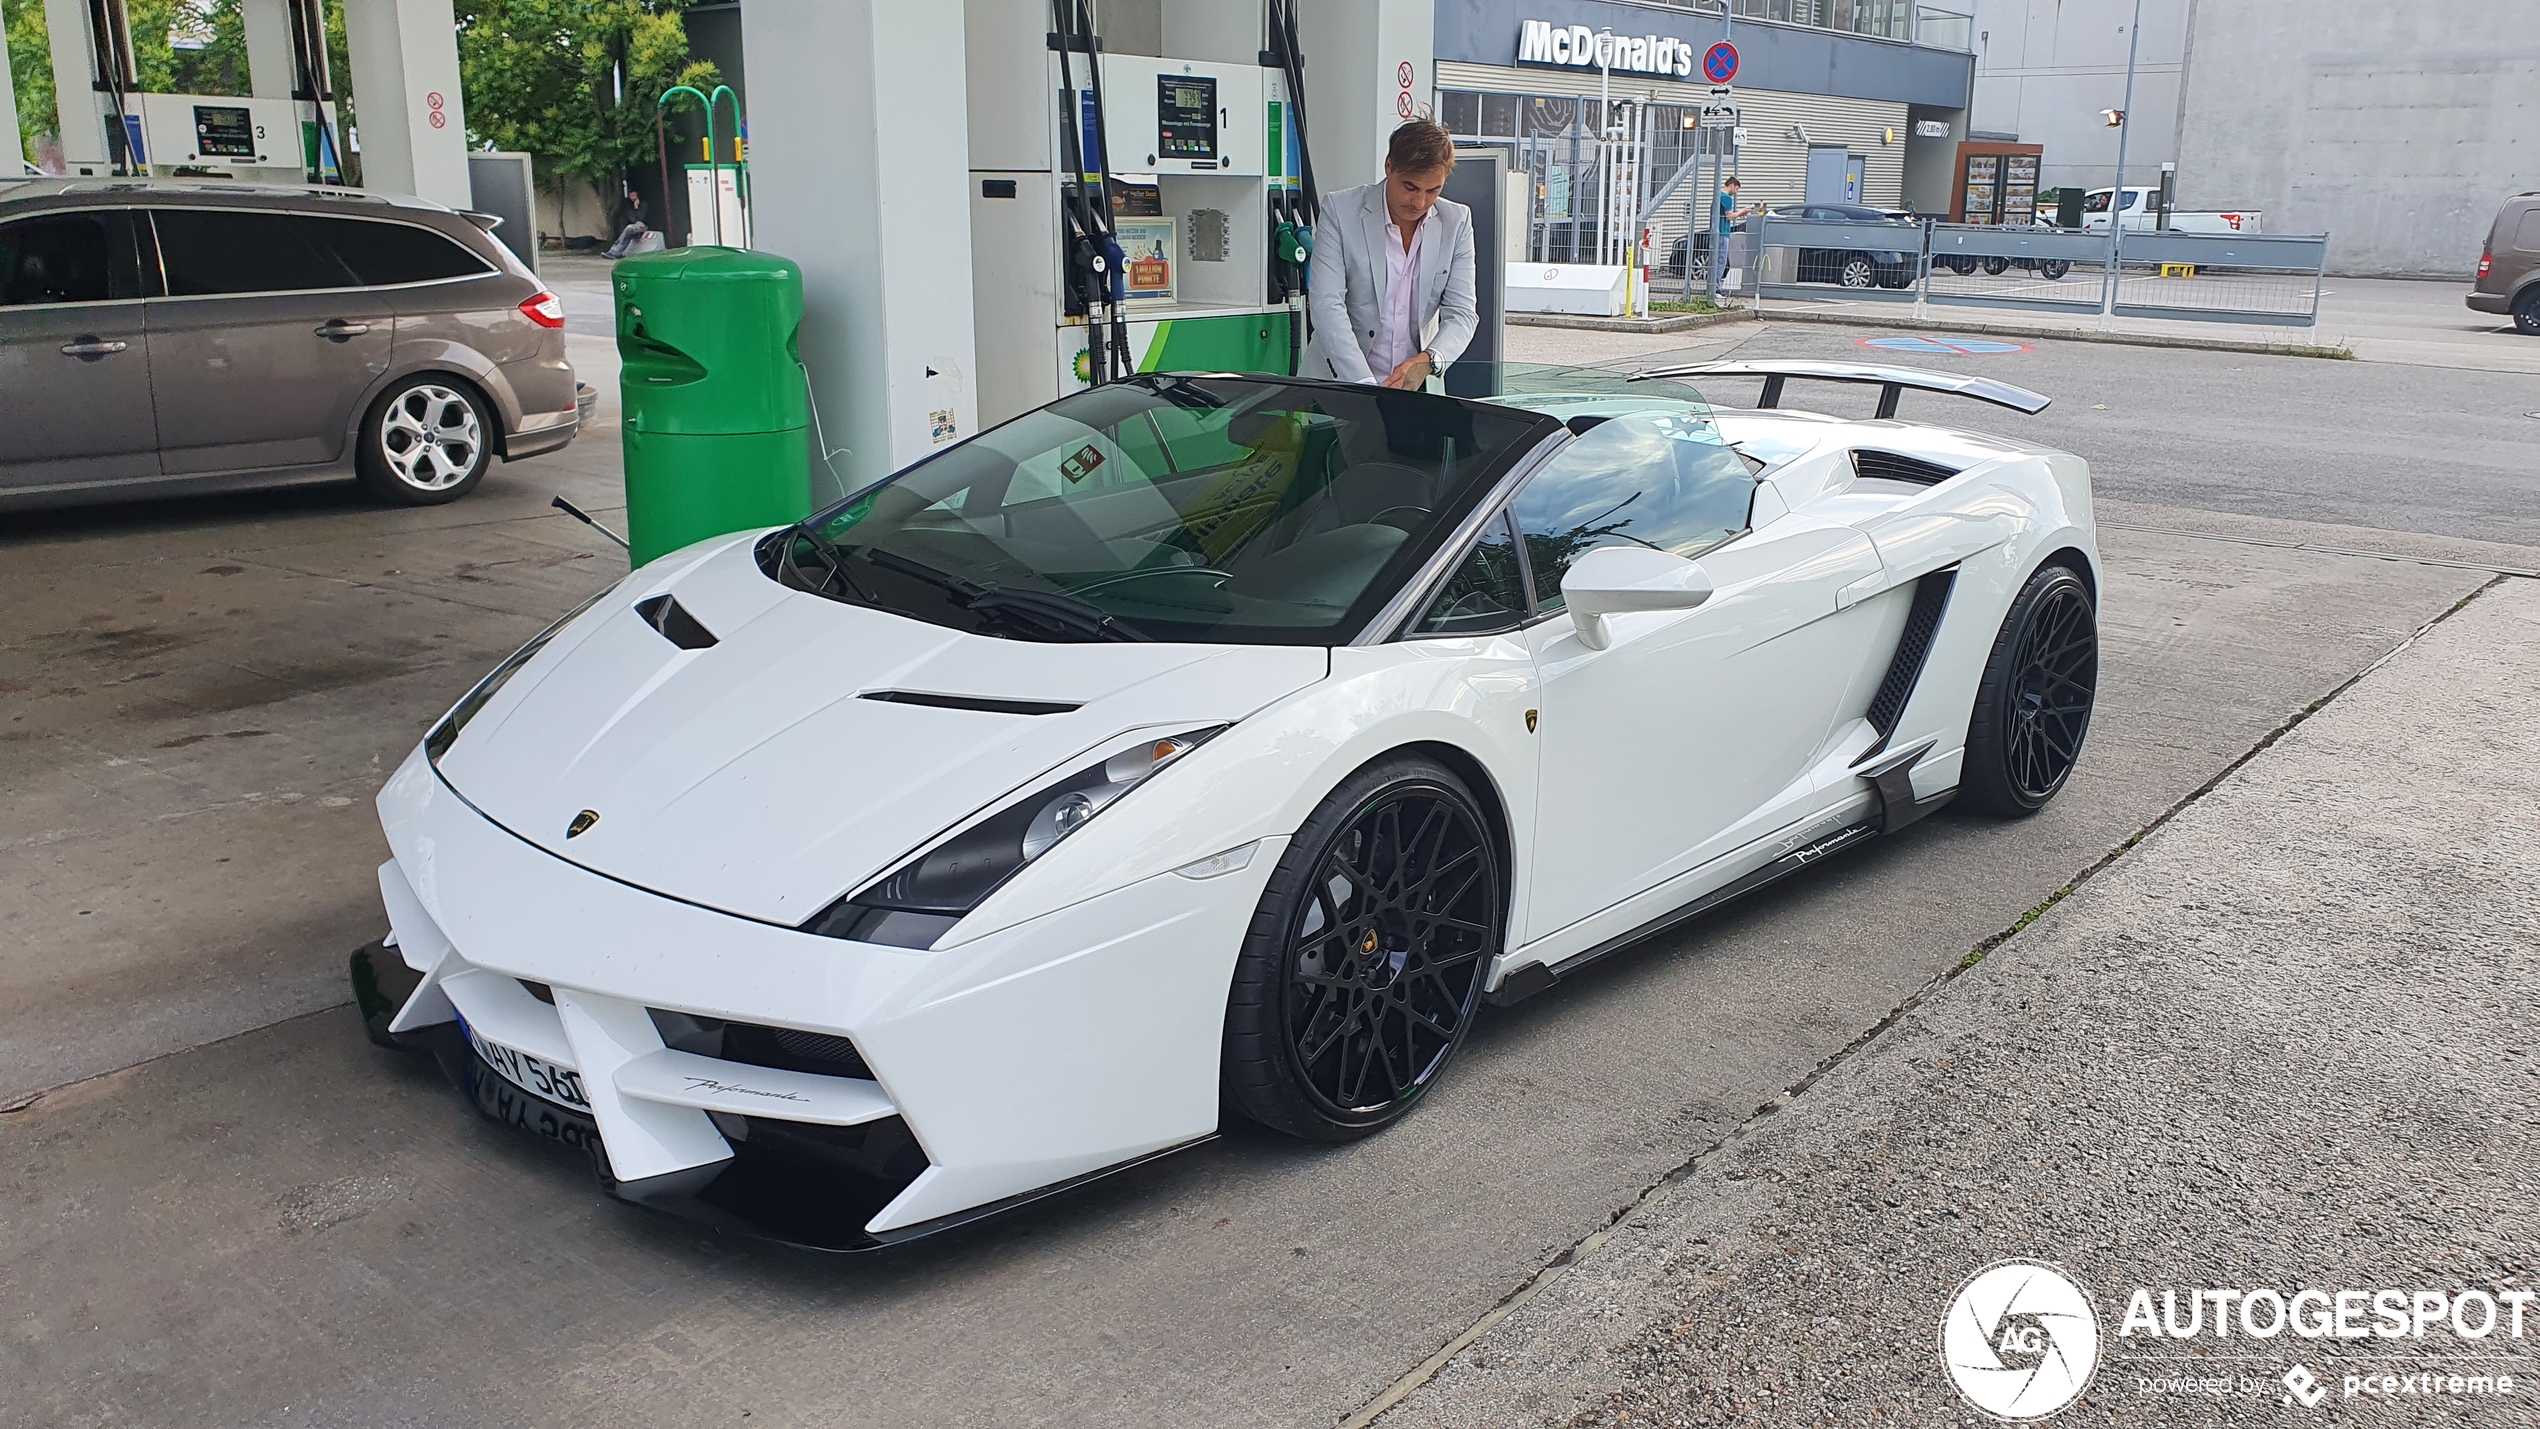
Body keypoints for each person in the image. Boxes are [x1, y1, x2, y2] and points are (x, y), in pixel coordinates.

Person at [1307, 119, 1477, 389]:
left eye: (1433, 190)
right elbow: (1326, 304)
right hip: (1338, 384)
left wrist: (1429, 360)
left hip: (1416, 389)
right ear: (1389, 167)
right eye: (1410, 187)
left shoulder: (1456, 222)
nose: (1420, 202)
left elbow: (1463, 314)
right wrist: (1364, 385)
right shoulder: (1341, 210)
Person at [602, 188, 650, 259]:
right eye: (631, 196)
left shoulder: (644, 204)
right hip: (633, 227)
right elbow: (631, 217)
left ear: (637, 195)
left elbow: (642, 217)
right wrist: (636, 221)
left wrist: (637, 208)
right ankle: (614, 253)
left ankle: (614, 250)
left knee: (628, 229)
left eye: (633, 195)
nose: (632, 198)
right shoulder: (629, 205)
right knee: (627, 234)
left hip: (644, 226)